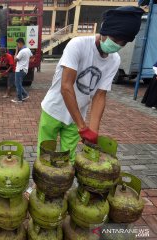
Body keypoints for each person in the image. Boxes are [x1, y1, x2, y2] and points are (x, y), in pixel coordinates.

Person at [38, 6, 144, 163]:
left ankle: (64, 186)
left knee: (69, 159)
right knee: (45, 157)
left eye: (122, 43)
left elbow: (100, 96)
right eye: (114, 40)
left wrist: (92, 132)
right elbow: (66, 87)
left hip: (77, 115)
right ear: (103, 31)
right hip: (53, 109)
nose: (117, 46)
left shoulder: (114, 60)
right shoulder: (78, 45)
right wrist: (83, 127)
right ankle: (39, 186)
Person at [12, 38, 32, 103]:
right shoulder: (28, 49)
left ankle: (19, 99)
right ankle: (25, 94)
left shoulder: (22, 51)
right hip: (25, 69)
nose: (17, 46)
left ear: (20, 43)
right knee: (18, 84)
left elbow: (15, 60)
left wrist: (16, 51)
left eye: (17, 44)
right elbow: (31, 56)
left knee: (18, 84)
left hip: (19, 69)